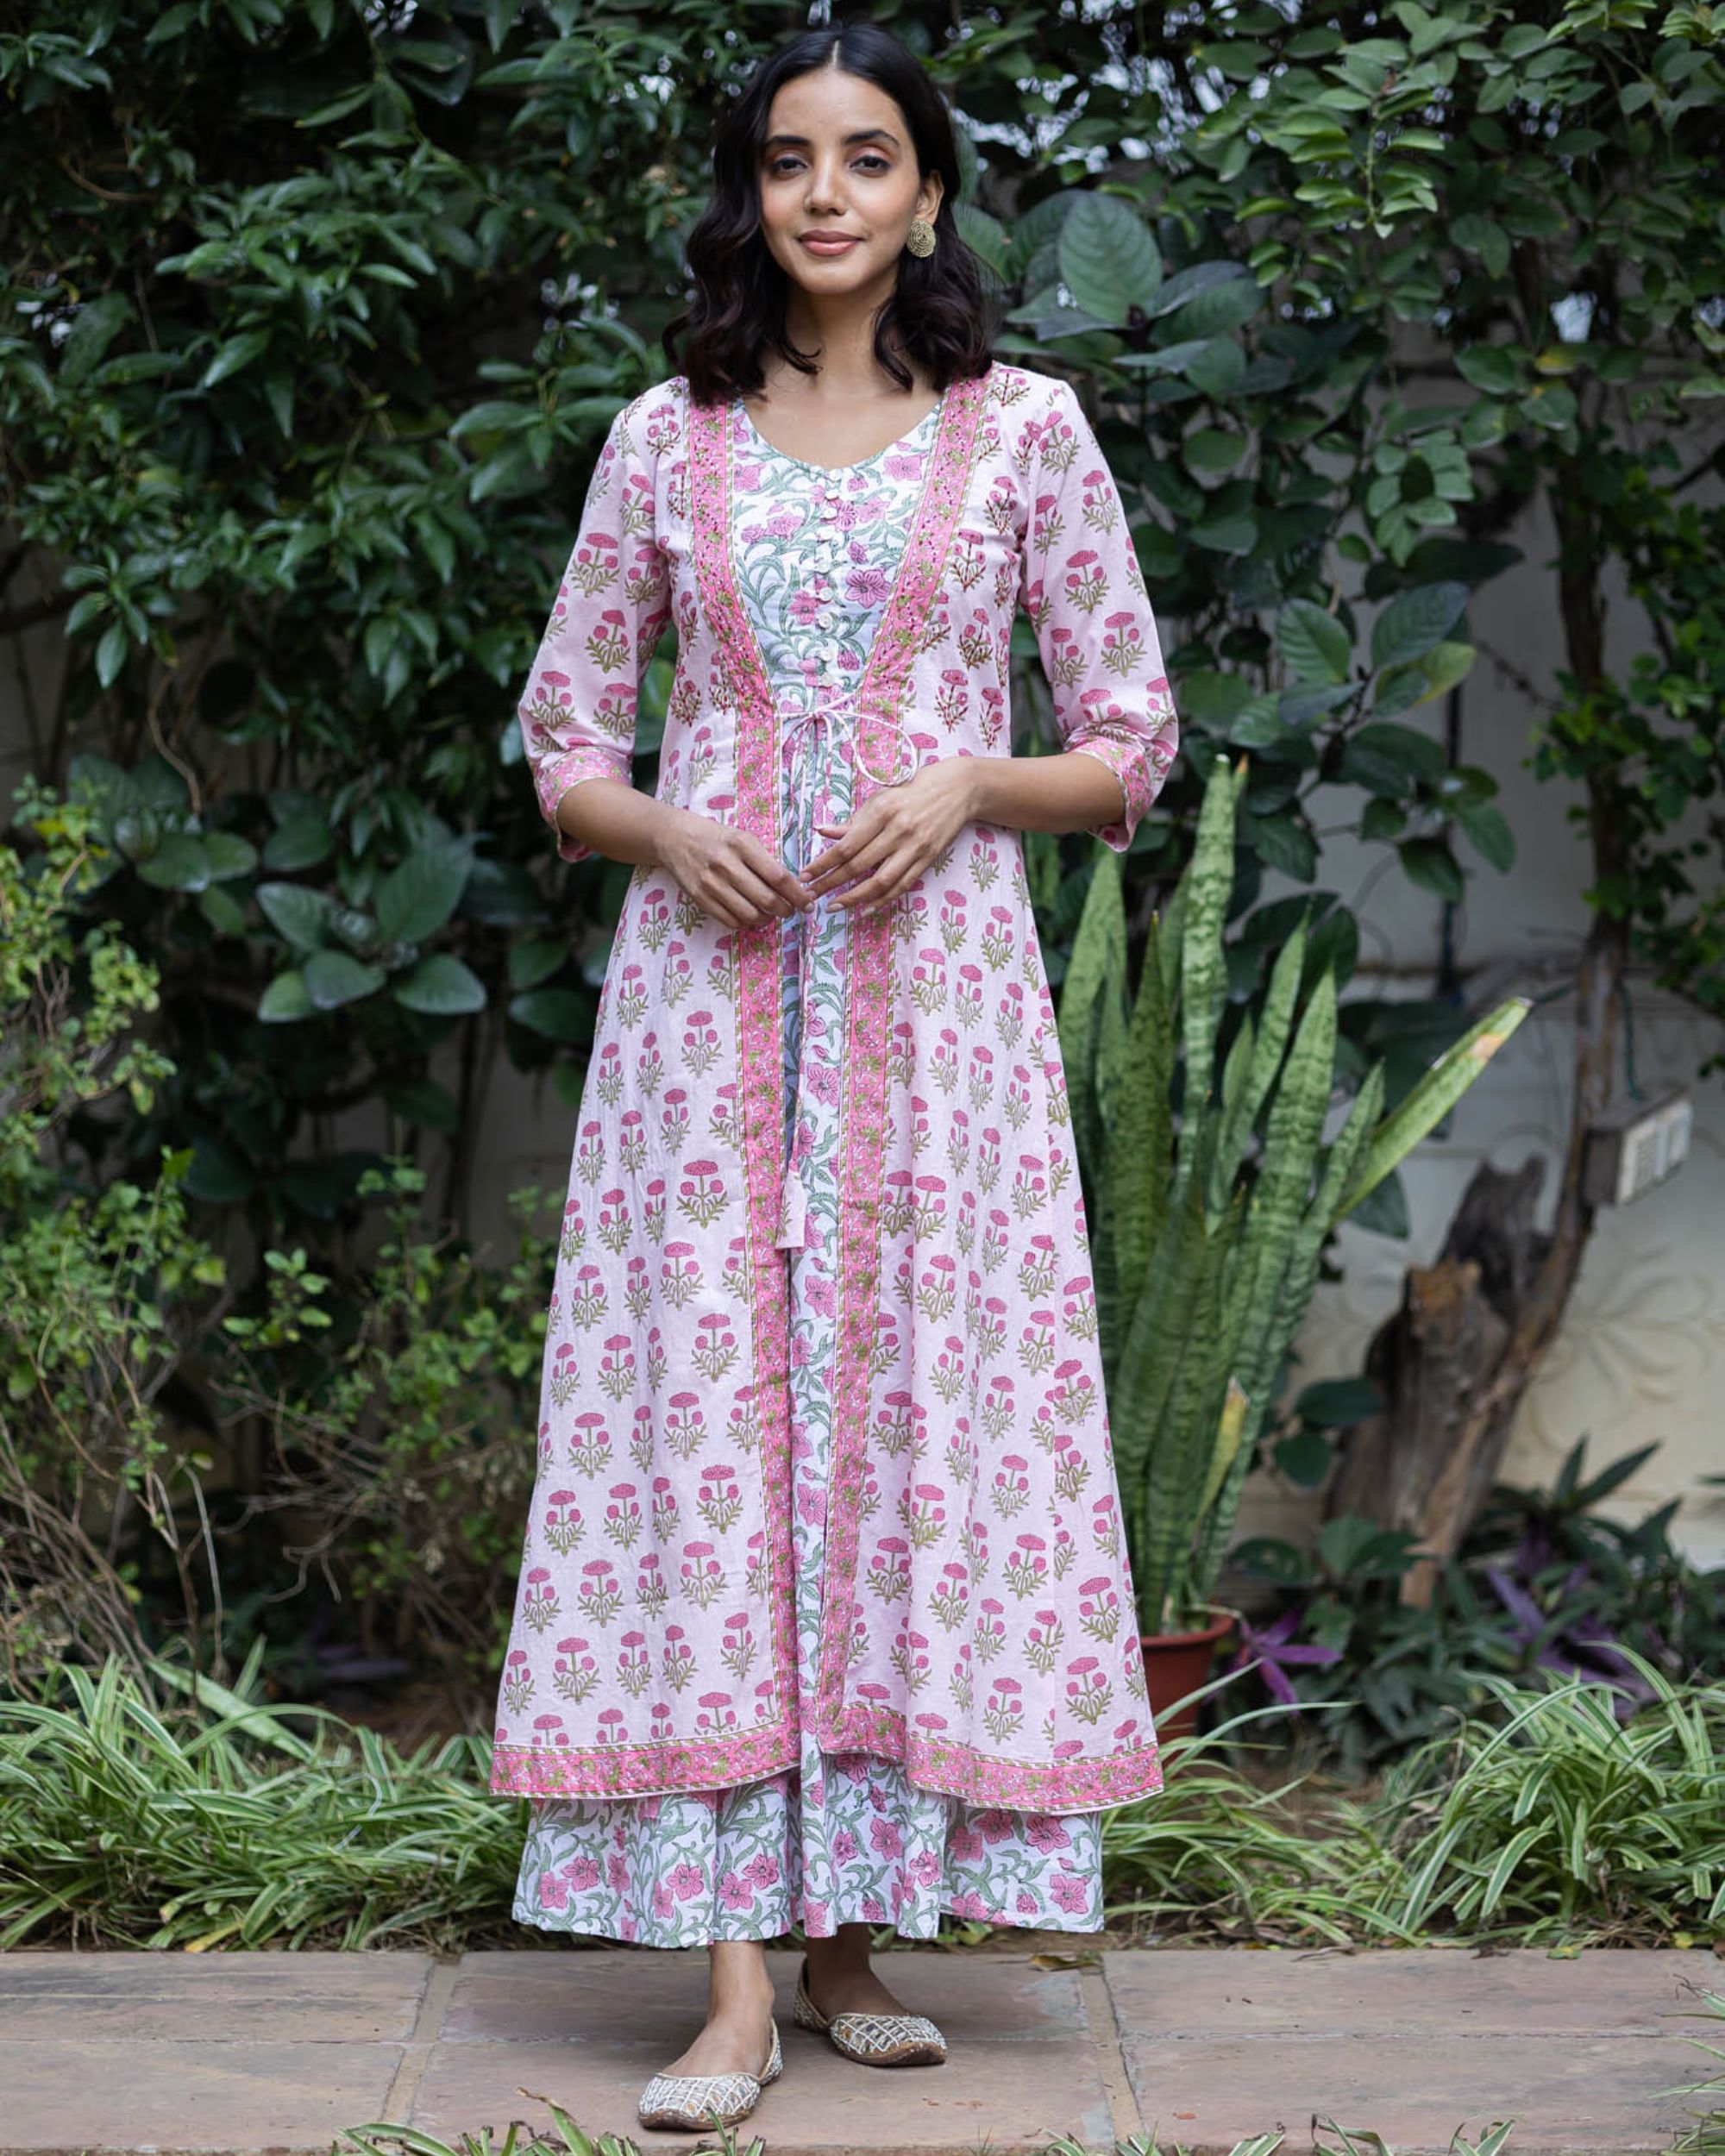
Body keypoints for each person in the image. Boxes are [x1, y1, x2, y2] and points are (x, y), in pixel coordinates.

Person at [488, 19, 1180, 2135]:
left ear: (929, 196)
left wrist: (974, 779)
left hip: (938, 1029)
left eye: (865, 156)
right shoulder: (660, 440)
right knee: (719, 1431)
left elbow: (1128, 738)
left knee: (901, 1436)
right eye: (788, 157)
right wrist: (660, 827)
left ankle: (859, 1930)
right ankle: (726, 1987)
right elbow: (560, 745)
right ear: (751, 193)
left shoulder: (1028, 435)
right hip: (709, 1032)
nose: (824, 192)